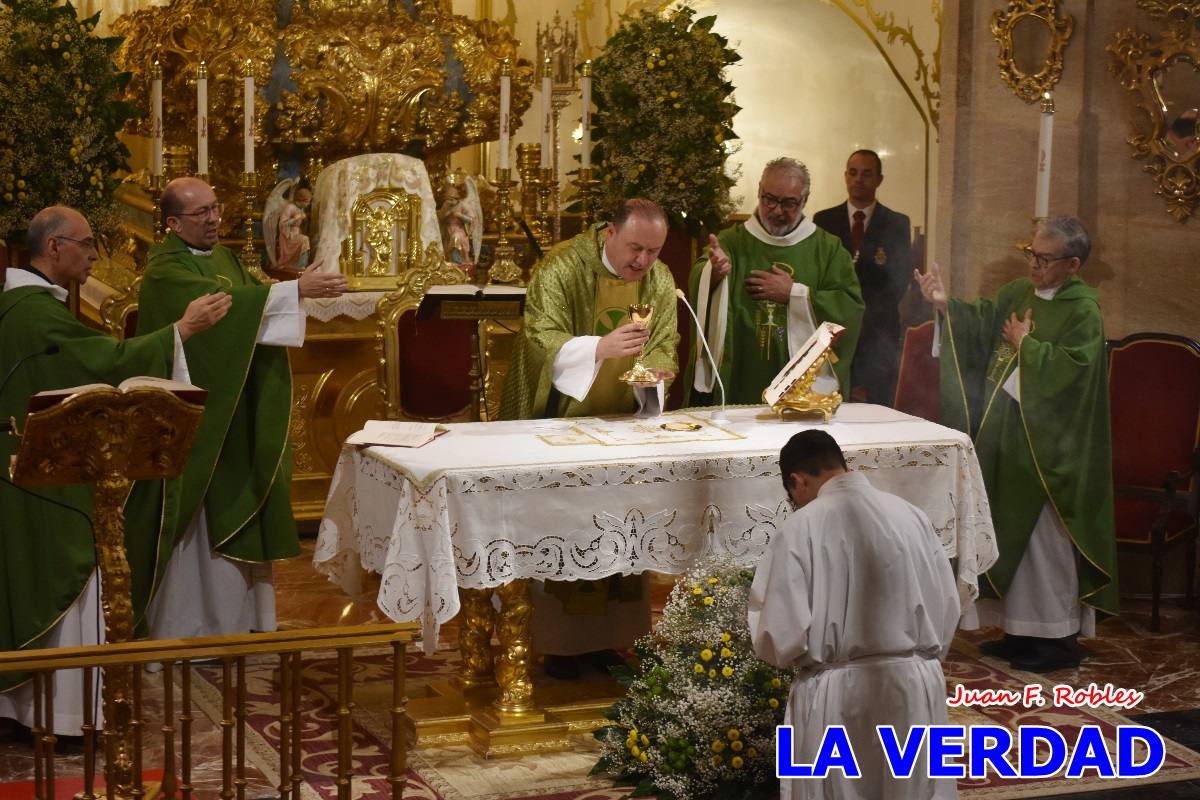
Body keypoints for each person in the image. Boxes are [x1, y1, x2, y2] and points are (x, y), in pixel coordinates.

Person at [0, 206, 231, 735]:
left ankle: (21, 708)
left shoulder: (19, 305)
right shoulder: (34, 313)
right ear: (54, 247)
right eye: (86, 244)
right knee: (63, 572)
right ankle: (62, 718)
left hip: (19, 462)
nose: (95, 254)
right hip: (41, 476)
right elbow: (103, 362)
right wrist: (183, 329)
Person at [135, 177, 348, 641]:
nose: (214, 219)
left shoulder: (226, 257)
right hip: (199, 422)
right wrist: (296, 290)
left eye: (215, 208)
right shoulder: (163, 271)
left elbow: (253, 301)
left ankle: (241, 622)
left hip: (235, 406)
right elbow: (229, 312)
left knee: (238, 503)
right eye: (201, 214)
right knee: (199, 523)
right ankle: (187, 628)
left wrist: (296, 289)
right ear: (172, 223)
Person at [915, 216, 1117, 673]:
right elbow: (981, 320)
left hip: (1050, 447)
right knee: (1009, 536)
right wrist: (946, 305)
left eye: (1044, 259)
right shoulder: (1017, 293)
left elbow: (1079, 373)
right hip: (1005, 434)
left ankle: (1055, 637)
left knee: (1043, 540)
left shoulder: (1083, 310)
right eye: (1032, 254)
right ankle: (1019, 629)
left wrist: (1029, 347)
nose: (1034, 265)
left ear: (1073, 264)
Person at [499, 198, 679, 679]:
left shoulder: (659, 280)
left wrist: (656, 370)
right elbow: (539, 336)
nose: (642, 262)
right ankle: (560, 646)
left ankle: (611, 641)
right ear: (610, 233)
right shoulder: (560, 267)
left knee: (623, 528)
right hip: (557, 424)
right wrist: (598, 348)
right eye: (635, 248)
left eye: (654, 251)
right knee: (565, 527)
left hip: (622, 426)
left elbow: (665, 339)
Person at [748, 429, 960, 800]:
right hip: (914, 684)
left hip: (839, 697)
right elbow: (947, 605)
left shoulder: (801, 527)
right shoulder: (912, 516)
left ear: (797, 481)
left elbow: (778, 638)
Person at [687, 158, 863, 405]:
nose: (778, 210)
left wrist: (796, 294)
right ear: (759, 191)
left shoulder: (827, 249)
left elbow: (849, 306)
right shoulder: (731, 242)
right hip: (740, 373)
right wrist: (713, 273)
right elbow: (697, 283)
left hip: (802, 384)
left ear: (805, 199)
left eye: (789, 203)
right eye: (770, 199)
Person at [813, 149, 913, 405]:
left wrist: (862, 314)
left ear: (879, 179)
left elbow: (898, 281)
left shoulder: (896, 223)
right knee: (832, 400)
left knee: (879, 405)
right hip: (836, 330)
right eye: (853, 173)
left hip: (879, 331)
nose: (859, 179)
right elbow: (819, 276)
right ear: (845, 176)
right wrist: (843, 311)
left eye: (867, 174)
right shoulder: (823, 221)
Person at [263, 178, 310, 271]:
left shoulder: (299, 208)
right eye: (307, 201)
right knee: (305, 239)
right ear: (302, 200)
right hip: (287, 236)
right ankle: (300, 266)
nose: (308, 204)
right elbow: (283, 223)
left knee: (305, 239)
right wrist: (296, 218)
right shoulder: (289, 207)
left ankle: (301, 265)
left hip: (296, 234)